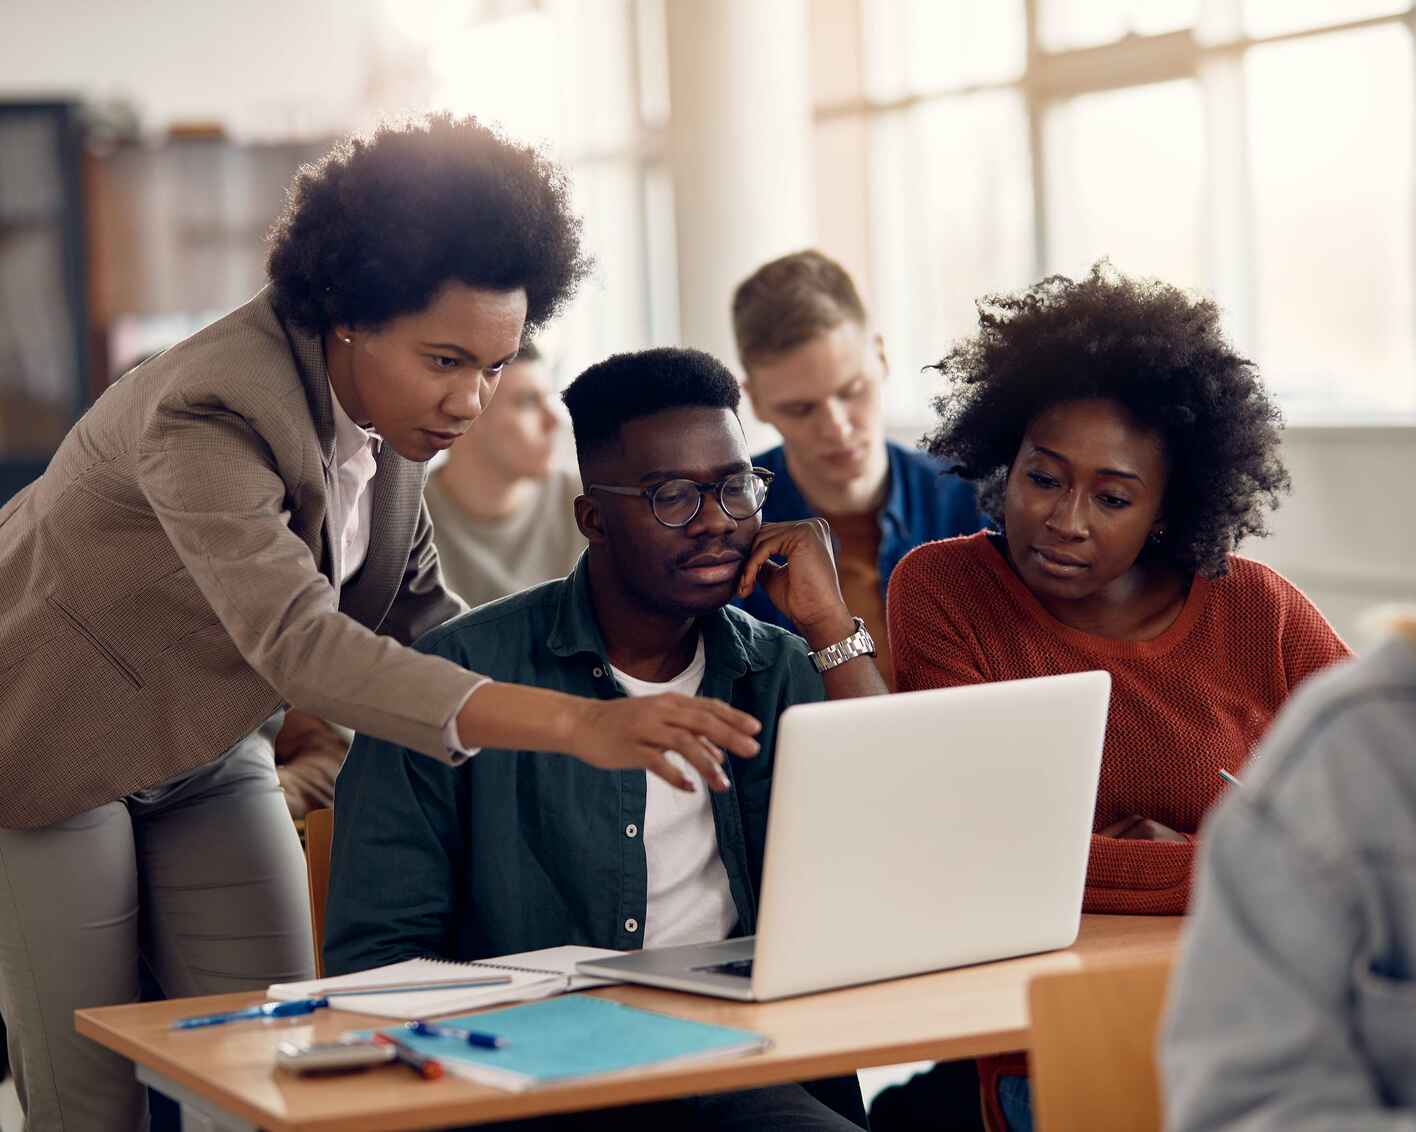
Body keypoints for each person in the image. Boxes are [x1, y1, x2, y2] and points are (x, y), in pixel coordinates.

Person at [0, 116, 761, 1132]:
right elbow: (300, 642)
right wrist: (577, 725)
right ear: (348, 313)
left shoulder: (390, 425)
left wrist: (610, 685)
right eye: (446, 359)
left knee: (277, 1062)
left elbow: (426, 623)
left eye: (494, 367)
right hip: (54, 738)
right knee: (92, 1100)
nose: (471, 401)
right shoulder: (211, 406)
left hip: (213, 740)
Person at [326, 347, 887, 1130]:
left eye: (734, 487)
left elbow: (892, 866)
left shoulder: (781, 668)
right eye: (671, 498)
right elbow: (377, 965)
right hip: (532, 1084)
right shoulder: (457, 682)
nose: (719, 521)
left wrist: (831, 627)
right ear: (592, 519)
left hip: (740, 1072)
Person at [884, 264, 1351, 1130]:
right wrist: (1241, 861)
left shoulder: (1259, 608)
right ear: (1005, 460)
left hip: (1272, 1026)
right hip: (1053, 1036)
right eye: (1044, 477)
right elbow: (990, 863)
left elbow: (1379, 828)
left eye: (1112, 497)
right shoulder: (946, 589)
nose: (1066, 521)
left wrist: (1106, 861)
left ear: (1168, 510)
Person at [1162, 616, 1414, 1129]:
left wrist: (1193, 848)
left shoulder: (1260, 605)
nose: (1070, 530)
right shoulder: (1351, 743)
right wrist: (1202, 853)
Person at [731, 249, 982, 689]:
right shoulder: (727, 527)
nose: (837, 427)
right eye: (801, 408)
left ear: (881, 357)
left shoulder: (976, 498)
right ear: (755, 402)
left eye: (852, 390)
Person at [424, 339, 585, 608]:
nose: (554, 420)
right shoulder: (403, 519)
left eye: (549, 398)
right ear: (464, 412)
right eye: (528, 402)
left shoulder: (588, 502)